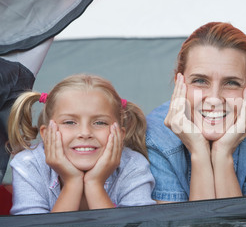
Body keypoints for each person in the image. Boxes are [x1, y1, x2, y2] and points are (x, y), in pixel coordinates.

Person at [146, 22, 246, 203]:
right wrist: (198, 152)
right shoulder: (157, 136)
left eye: (231, 83)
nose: (214, 99)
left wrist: (223, 154)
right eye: (200, 80)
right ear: (179, 83)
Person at [8, 74, 156, 214]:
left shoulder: (133, 165)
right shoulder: (29, 165)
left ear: (120, 134)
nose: (85, 133)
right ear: (46, 134)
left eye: (100, 122)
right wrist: (72, 182)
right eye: (70, 122)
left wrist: (94, 184)